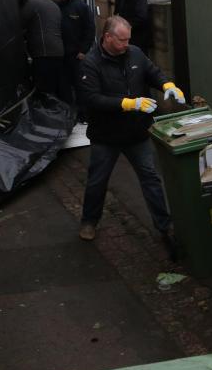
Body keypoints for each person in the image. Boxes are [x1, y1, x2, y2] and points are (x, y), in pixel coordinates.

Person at [77, 14, 186, 244]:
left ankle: (165, 226)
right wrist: (127, 103)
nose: (126, 44)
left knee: (150, 178)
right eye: (121, 40)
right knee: (98, 180)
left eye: (128, 39)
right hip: (105, 136)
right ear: (107, 37)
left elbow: (152, 71)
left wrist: (168, 84)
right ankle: (89, 221)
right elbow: (92, 99)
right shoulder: (91, 63)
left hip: (136, 133)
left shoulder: (134, 53)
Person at [51, 0, 95, 108]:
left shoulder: (81, 6)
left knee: (80, 85)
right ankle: (69, 112)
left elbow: (90, 29)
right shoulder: (58, 7)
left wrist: (84, 50)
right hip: (62, 54)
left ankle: (83, 114)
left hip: (77, 55)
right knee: (64, 85)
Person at [20, 0, 66, 100]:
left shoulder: (32, 4)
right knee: (59, 86)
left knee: (44, 89)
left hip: (42, 52)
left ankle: (47, 113)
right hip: (59, 51)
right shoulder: (54, 5)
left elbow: (20, 24)